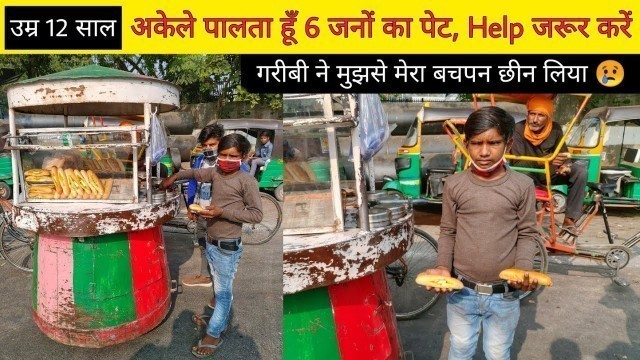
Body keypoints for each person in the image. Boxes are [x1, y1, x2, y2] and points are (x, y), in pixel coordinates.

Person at [424, 107, 540, 360]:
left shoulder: (522, 185)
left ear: (508, 143)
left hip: (504, 295)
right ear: (466, 144)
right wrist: (443, 267)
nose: (484, 152)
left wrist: (523, 268)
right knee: (461, 347)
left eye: (494, 143)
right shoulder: (455, 184)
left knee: (497, 353)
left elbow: (527, 234)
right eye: (476, 143)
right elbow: (448, 231)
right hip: (461, 292)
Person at [160, 133, 263, 358]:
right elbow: (196, 172)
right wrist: (174, 176)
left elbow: (256, 215)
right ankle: (220, 320)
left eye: (232, 156)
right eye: (222, 154)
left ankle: (214, 333)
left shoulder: (247, 181)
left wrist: (222, 212)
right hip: (211, 242)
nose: (226, 159)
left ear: (244, 157)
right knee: (217, 289)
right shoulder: (216, 172)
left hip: (227, 246)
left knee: (224, 294)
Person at [510, 96, 587, 231]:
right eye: (532, 114)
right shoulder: (518, 129)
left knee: (580, 171)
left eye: (541, 115)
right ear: (528, 114)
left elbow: (564, 153)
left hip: (548, 173)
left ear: (548, 117)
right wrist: (545, 160)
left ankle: (569, 220)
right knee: (522, 171)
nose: (535, 119)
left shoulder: (555, 129)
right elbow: (517, 163)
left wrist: (566, 165)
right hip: (525, 174)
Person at [181, 124, 224, 288]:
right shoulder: (200, 160)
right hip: (201, 212)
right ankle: (205, 276)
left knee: (219, 252)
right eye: (204, 145)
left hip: (218, 215)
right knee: (203, 244)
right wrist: (191, 206)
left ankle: (221, 292)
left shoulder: (227, 161)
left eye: (212, 144)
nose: (208, 148)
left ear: (221, 142)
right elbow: (192, 182)